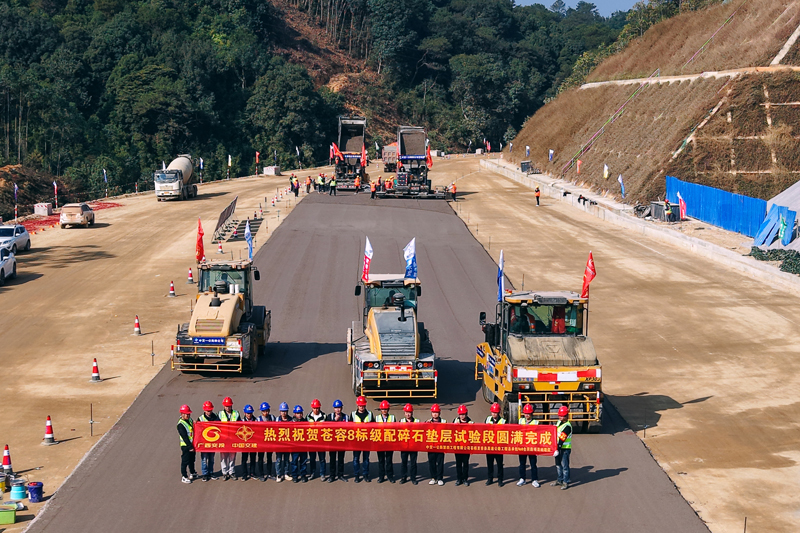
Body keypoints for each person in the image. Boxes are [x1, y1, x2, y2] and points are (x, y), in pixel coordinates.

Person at [351, 395, 373, 482]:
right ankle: (356, 475)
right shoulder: (353, 415)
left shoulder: (370, 414)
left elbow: (374, 427)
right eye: (360, 406)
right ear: (357, 405)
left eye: (363, 405)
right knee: (356, 459)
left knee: (366, 459)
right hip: (356, 441)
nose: (361, 407)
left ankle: (365, 474)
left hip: (366, 441)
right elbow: (349, 428)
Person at [517, 404, 540, 487]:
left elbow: (539, 434)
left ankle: (534, 480)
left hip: (532, 446)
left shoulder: (536, 422)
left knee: (533, 464)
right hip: (522, 446)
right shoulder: (520, 421)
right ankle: (522, 478)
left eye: (528, 413)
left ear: (531, 414)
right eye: (525, 413)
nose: (527, 415)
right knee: (522, 463)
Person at [326, 399, 349, 482]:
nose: (338, 409)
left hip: (341, 441)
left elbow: (348, 428)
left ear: (341, 408)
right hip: (332, 442)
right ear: (333, 409)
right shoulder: (330, 416)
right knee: (332, 459)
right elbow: (327, 427)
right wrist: (334, 420)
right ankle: (332, 475)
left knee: (341, 459)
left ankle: (340, 475)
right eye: (336, 408)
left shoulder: (346, 417)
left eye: (339, 407)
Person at [218, 397, 240, 481]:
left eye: (229, 406)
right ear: (224, 406)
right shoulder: (220, 414)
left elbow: (240, 425)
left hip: (233, 438)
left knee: (232, 456)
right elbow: (214, 424)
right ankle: (224, 472)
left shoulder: (236, 413)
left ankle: (232, 472)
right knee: (223, 457)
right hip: (223, 439)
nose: (228, 408)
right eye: (226, 406)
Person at [551, 405, 572, 490]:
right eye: (559, 415)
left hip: (564, 449)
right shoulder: (559, 422)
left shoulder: (567, 426)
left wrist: (557, 448)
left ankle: (565, 482)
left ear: (566, 416)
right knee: (558, 465)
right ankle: (559, 479)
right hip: (558, 448)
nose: (560, 417)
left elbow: (562, 439)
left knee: (565, 466)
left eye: (562, 416)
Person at [375, 400, 396, 483]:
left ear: (388, 410)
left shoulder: (392, 418)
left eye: (386, 409)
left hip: (389, 442)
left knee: (389, 460)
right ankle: (381, 476)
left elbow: (396, 429)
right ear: (380, 410)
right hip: (380, 443)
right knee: (381, 461)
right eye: (383, 409)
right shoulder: (377, 418)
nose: (384, 411)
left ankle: (390, 476)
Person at [485, 402, 505, 487]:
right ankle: (490, 479)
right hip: (489, 446)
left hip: (499, 447)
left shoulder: (503, 421)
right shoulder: (487, 419)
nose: (494, 414)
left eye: (495, 412)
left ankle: (500, 479)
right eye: (493, 412)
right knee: (490, 463)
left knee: (499, 464)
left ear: (499, 413)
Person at [197, 401, 218, 482]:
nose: (209, 412)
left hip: (213, 442)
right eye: (207, 410)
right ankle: (205, 474)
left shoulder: (215, 417)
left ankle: (211, 472)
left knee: (212, 459)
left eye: (210, 410)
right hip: (204, 443)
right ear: (204, 410)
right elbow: (198, 431)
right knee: (204, 459)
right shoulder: (201, 418)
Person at [307, 399, 327, 481]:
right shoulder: (308, 417)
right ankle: (312, 473)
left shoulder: (324, 416)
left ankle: (322, 474)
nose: (316, 410)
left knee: (322, 459)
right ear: (312, 408)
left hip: (321, 441)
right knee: (312, 458)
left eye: (318, 408)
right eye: (315, 408)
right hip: (312, 441)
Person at [426, 404, 446, 486]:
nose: (435, 414)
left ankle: (440, 478)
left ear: (439, 413)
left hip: (440, 445)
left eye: (436, 412)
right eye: (433, 412)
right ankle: (433, 478)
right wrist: (426, 424)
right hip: (431, 445)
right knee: (432, 462)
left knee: (440, 462)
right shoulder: (428, 422)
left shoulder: (444, 422)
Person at [399, 404, 419, 484]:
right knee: (404, 462)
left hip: (413, 446)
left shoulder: (417, 421)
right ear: (404, 413)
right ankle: (403, 477)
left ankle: (413, 478)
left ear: (412, 413)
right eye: (407, 412)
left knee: (413, 463)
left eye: (409, 412)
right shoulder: (401, 421)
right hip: (404, 446)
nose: (408, 414)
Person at [453, 405, 473, 486]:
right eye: (460, 414)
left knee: (465, 464)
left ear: (466, 414)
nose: (462, 416)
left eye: (463, 414)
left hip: (466, 447)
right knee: (458, 464)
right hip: (458, 446)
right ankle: (459, 479)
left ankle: (465, 479)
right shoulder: (455, 421)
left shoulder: (470, 423)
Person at [178, 404, 198, 484]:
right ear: (182, 414)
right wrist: (190, 446)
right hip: (186, 446)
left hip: (192, 444)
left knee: (192, 460)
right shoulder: (180, 424)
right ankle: (184, 476)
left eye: (189, 414)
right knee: (185, 461)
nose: (188, 415)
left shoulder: (189, 420)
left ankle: (192, 472)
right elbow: (184, 437)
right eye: (187, 414)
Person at [256, 402, 274, 481]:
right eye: (263, 411)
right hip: (261, 442)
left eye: (266, 411)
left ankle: (269, 473)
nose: (265, 413)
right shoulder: (258, 419)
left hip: (269, 441)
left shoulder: (272, 418)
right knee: (260, 458)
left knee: (269, 457)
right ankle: (261, 474)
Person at [291, 405, 309, 483]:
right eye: (297, 413)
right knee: (294, 461)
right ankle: (294, 476)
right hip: (294, 446)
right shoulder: (291, 423)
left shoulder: (305, 421)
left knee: (303, 461)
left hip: (303, 445)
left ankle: (303, 475)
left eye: (301, 413)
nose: (299, 415)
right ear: (295, 414)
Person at [275, 402, 292, 482]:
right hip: (279, 444)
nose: (284, 413)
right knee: (278, 460)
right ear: (280, 412)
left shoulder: (291, 420)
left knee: (286, 459)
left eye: (285, 411)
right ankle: (278, 475)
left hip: (287, 443)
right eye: (282, 411)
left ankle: (286, 474)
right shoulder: (277, 420)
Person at [240, 405, 257, 481]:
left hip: (253, 443)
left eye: (250, 413)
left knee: (253, 459)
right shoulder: (241, 421)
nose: (249, 415)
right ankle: (244, 474)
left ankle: (252, 473)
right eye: (247, 413)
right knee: (244, 459)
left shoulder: (256, 420)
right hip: (245, 443)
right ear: (244, 413)